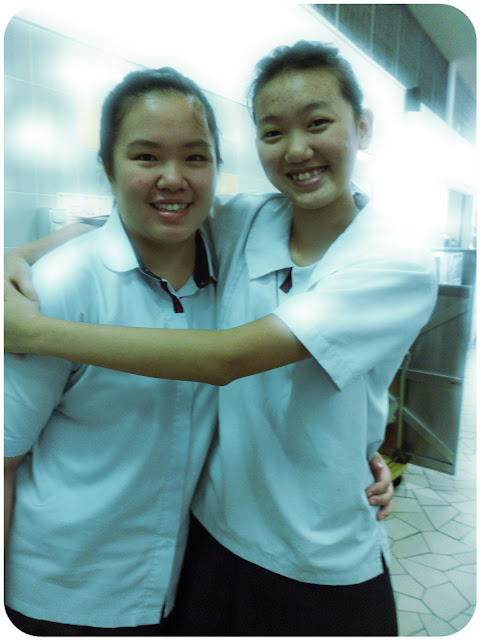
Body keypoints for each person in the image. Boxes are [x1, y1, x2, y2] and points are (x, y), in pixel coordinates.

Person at [2, 41, 428, 635]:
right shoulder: (251, 221)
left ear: (363, 126)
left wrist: (39, 332)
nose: (297, 149)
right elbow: (144, 213)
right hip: (211, 542)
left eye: (318, 123)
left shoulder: (394, 261)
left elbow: (226, 360)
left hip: (320, 557)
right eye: (273, 131)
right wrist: (18, 256)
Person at [3, 66, 223, 635]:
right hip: (61, 596)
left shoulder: (230, 283)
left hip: (173, 587)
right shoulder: (58, 290)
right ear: (108, 166)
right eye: (146, 156)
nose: (172, 178)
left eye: (195, 157)